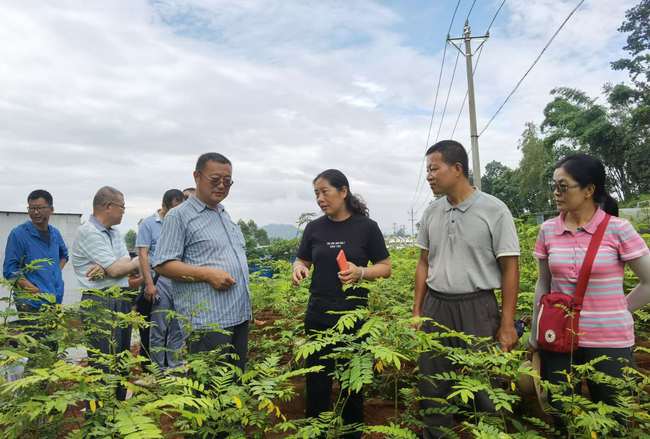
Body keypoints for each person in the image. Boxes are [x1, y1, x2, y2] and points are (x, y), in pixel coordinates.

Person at [530, 153, 650, 431]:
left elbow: (648, 281)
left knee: (613, 419)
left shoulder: (619, 229)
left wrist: (620, 309)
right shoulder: (548, 230)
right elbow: (543, 284)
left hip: (609, 341)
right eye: (554, 185)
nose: (556, 193)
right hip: (559, 338)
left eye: (563, 186)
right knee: (562, 416)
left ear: (589, 190)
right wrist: (536, 334)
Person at [413, 140, 520, 438]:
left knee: (485, 384)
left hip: (478, 308)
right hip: (436, 308)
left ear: (457, 169)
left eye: (434, 169)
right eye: (427, 170)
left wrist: (508, 324)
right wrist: (417, 311)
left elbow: (510, 267)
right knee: (432, 384)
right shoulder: (431, 213)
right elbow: (423, 263)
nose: (429, 176)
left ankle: (489, 432)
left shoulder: (494, 210)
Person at [292, 169, 391, 439]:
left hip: (355, 319)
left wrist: (361, 272)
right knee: (317, 384)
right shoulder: (314, 228)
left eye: (325, 192)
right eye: (316, 194)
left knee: (353, 385)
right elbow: (303, 260)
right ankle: (317, 433)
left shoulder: (366, 227)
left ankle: (351, 434)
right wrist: (298, 268)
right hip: (318, 316)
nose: (320, 199)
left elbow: (385, 267)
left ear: (343, 191)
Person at [154, 153, 251, 373]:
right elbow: (162, 264)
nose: (222, 186)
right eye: (215, 180)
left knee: (233, 386)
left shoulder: (224, 214)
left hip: (238, 316)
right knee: (208, 389)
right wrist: (207, 274)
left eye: (227, 182)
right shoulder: (179, 216)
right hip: (209, 322)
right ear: (197, 176)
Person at [70, 186, 139, 400]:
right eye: (122, 207)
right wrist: (140, 259)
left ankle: (117, 412)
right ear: (108, 206)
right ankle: (100, 417)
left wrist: (113, 266)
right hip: (100, 302)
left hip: (120, 299)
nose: (123, 211)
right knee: (103, 361)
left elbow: (121, 265)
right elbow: (119, 269)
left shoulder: (114, 232)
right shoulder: (88, 231)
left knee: (121, 359)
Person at [3, 190, 68, 340]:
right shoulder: (18, 234)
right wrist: (34, 290)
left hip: (54, 298)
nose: (35, 212)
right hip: (31, 302)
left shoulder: (55, 233)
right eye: (31, 208)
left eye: (40, 208)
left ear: (51, 209)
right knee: (37, 348)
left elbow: (64, 255)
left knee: (52, 343)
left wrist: (55, 273)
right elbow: (10, 270)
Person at [136, 189, 185, 369]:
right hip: (160, 280)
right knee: (159, 326)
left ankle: (175, 366)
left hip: (179, 280)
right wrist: (149, 284)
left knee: (178, 326)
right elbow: (143, 255)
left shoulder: (181, 223)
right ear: (164, 206)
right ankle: (158, 369)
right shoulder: (149, 224)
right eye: (174, 209)